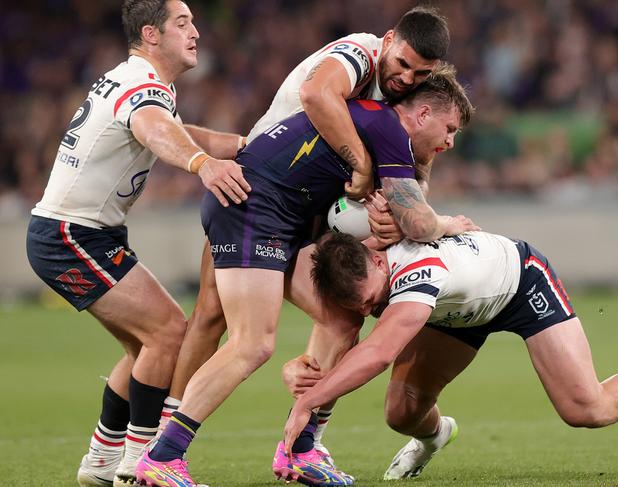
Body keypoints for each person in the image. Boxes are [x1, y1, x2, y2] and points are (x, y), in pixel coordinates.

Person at [135, 67, 479, 487]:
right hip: (252, 208)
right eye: (450, 128)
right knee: (251, 344)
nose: (449, 141)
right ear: (422, 114)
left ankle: (301, 448)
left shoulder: (375, 124)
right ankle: (162, 456)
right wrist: (447, 223)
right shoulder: (388, 127)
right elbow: (420, 223)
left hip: (286, 221)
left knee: (343, 319)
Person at [164, 4, 452, 462]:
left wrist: (391, 213)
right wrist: (361, 164)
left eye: (420, 74)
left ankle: (304, 444)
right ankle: (153, 443)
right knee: (214, 315)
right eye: (402, 64)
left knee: (343, 319)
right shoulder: (359, 51)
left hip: (312, 208)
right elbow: (317, 94)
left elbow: (412, 186)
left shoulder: (403, 98)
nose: (406, 77)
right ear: (390, 38)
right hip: (259, 188)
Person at [25, 1, 250, 486]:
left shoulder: (138, 81)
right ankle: (143, 462)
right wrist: (202, 165)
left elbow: (170, 129)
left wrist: (233, 144)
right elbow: (154, 129)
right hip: (70, 232)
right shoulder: (144, 88)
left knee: (145, 346)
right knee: (169, 331)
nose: (195, 31)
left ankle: (102, 461)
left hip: (83, 232)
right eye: (182, 23)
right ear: (151, 33)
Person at [283, 231, 618, 481]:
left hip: (520, 284)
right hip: (453, 311)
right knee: (402, 412)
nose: (369, 310)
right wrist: (297, 364)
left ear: (379, 262)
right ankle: (435, 437)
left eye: (373, 300)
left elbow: (378, 353)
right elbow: (342, 334)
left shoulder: (415, 273)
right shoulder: (365, 270)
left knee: (585, 410)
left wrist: (307, 404)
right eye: (360, 306)